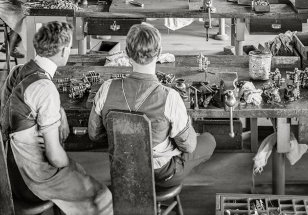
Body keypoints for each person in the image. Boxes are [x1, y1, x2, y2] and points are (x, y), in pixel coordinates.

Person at [1, 21, 113, 214]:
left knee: (79, 174)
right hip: (32, 179)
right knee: (102, 196)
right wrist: (75, 170)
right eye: (69, 48)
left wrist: (59, 109)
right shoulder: (45, 89)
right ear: (62, 51)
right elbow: (55, 157)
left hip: (9, 170)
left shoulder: (17, 72)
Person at [88, 23, 216, 188]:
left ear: (126, 53)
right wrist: (187, 124)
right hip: (161, 174)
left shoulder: (106, 88)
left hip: (122, 168)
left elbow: (94, 134)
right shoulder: (170, 97)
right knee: (208, 140)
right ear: (160, 52)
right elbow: (189, 146)